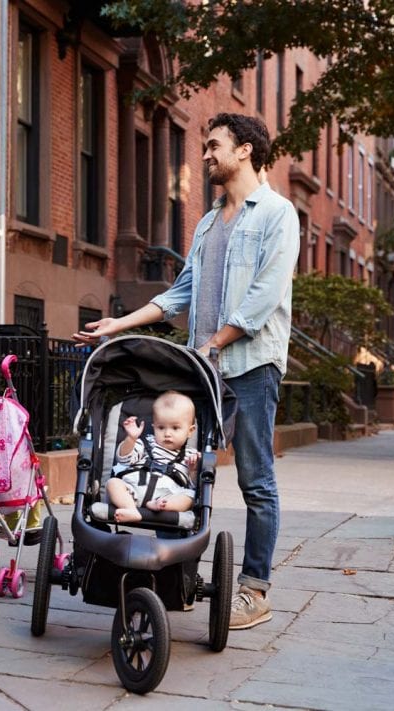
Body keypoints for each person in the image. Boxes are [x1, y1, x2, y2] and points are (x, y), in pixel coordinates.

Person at [74, 113, 300, 630]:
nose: (204, 155)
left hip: (250, 366)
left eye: (213, 145)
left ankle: (254, 589)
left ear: (245, 150)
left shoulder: (278, 215)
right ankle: (169, 569)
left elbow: (264, 298)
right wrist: (117, 325)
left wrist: (215, 343)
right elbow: (179, 295)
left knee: (255, 478)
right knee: (184, 467)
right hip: (206, 368)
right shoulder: (206, 223)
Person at [107, 390, 200, 523]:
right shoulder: (145, 443)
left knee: (190, 496)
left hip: (167, 495)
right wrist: (131, 439)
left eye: (175, 428)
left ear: (190, 431)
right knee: (113, 483)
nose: (167, 433)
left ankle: (162, 505)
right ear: (154, 427)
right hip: (133, 489)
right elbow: (124, 459)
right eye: (161, 428)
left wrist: (193, 470)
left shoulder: (190, 455)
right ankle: (131, 510)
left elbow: (192, 485)